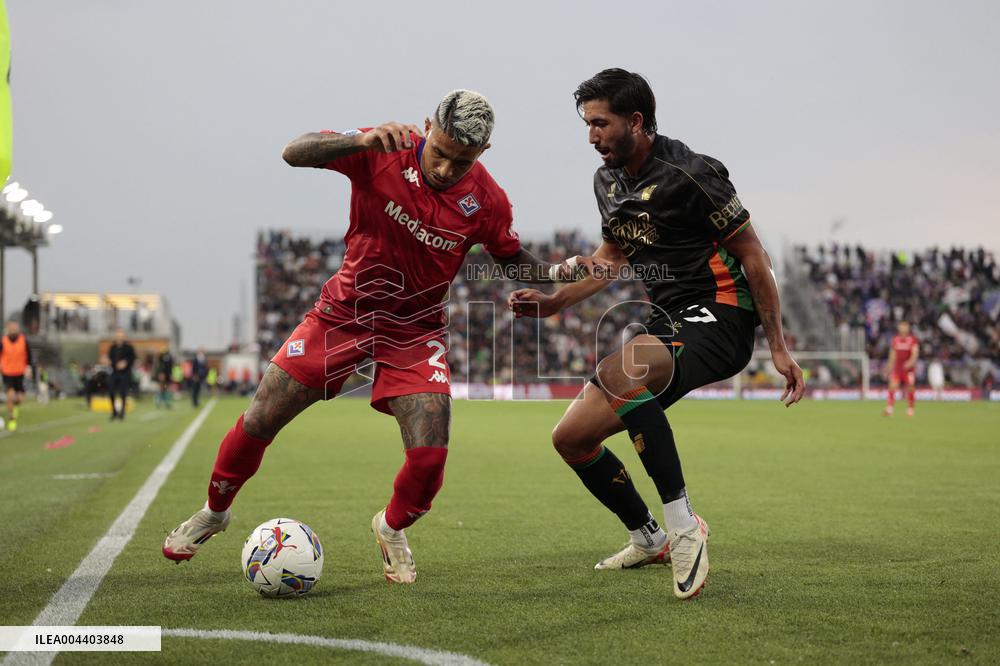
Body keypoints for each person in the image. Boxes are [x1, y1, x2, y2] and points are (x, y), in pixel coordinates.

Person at [163, 90, 589, 583]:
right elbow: (293, 152)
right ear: (427, 126)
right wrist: (357, 140)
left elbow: (511, 257)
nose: (448, 169)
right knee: (261, 416)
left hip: (414, 331)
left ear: (483, 154)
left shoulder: (488, 200)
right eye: (441, 152)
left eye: (462, 160)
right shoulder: (381, 148)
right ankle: (215, 512)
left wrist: (556, 272)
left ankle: (390, 528)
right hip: (342, 316)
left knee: (430, 457)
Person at [509, 69, 805, 599]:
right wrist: (554, 305)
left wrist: (777, 345)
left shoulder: (690, 174)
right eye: (587, 124)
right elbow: (609, 261)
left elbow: (754, 257)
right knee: (572, 440)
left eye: (600, 123)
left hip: (723, 314)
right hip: (668, 319)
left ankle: (684, 527)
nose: (591, 135)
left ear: (636, 121)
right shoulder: (607, 181)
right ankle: (649, 538)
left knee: (619, 370)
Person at [1, 320, 32, 431]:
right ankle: (11, 418)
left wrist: (29, 367)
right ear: (8, 328)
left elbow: (29, 355)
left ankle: (14, 407)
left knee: (20, 398)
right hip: (7, 373)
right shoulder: (3, 341)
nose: (13, 329)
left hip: (20, 373)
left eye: (15, 327)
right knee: (10, 395)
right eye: (11, 327)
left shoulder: (23, 340)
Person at [884, 320, 918, 416]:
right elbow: (892, 354)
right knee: (892, 386)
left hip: (908, 369)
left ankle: (910, 408)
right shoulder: (895, 339)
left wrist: (910, 362)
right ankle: (889, 408)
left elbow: (915, 354)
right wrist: (889, 366)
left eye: (905, 326)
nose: (903, 328)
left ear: (908, 328)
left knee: (910, 388)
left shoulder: (912, 340)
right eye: (901, 326)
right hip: (898, 368)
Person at [107, 328, 136, 420]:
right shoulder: (112, 347)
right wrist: (108, 361)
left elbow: (133, 358)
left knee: (123, 392)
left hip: (125, 373)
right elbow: (109, 358)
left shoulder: (128, 347)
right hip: (114, 372)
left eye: (121, 336)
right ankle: (114, 411)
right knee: (111, 390)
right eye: (118, 336)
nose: (119, 337)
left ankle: (122, 412)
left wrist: (125, 363)